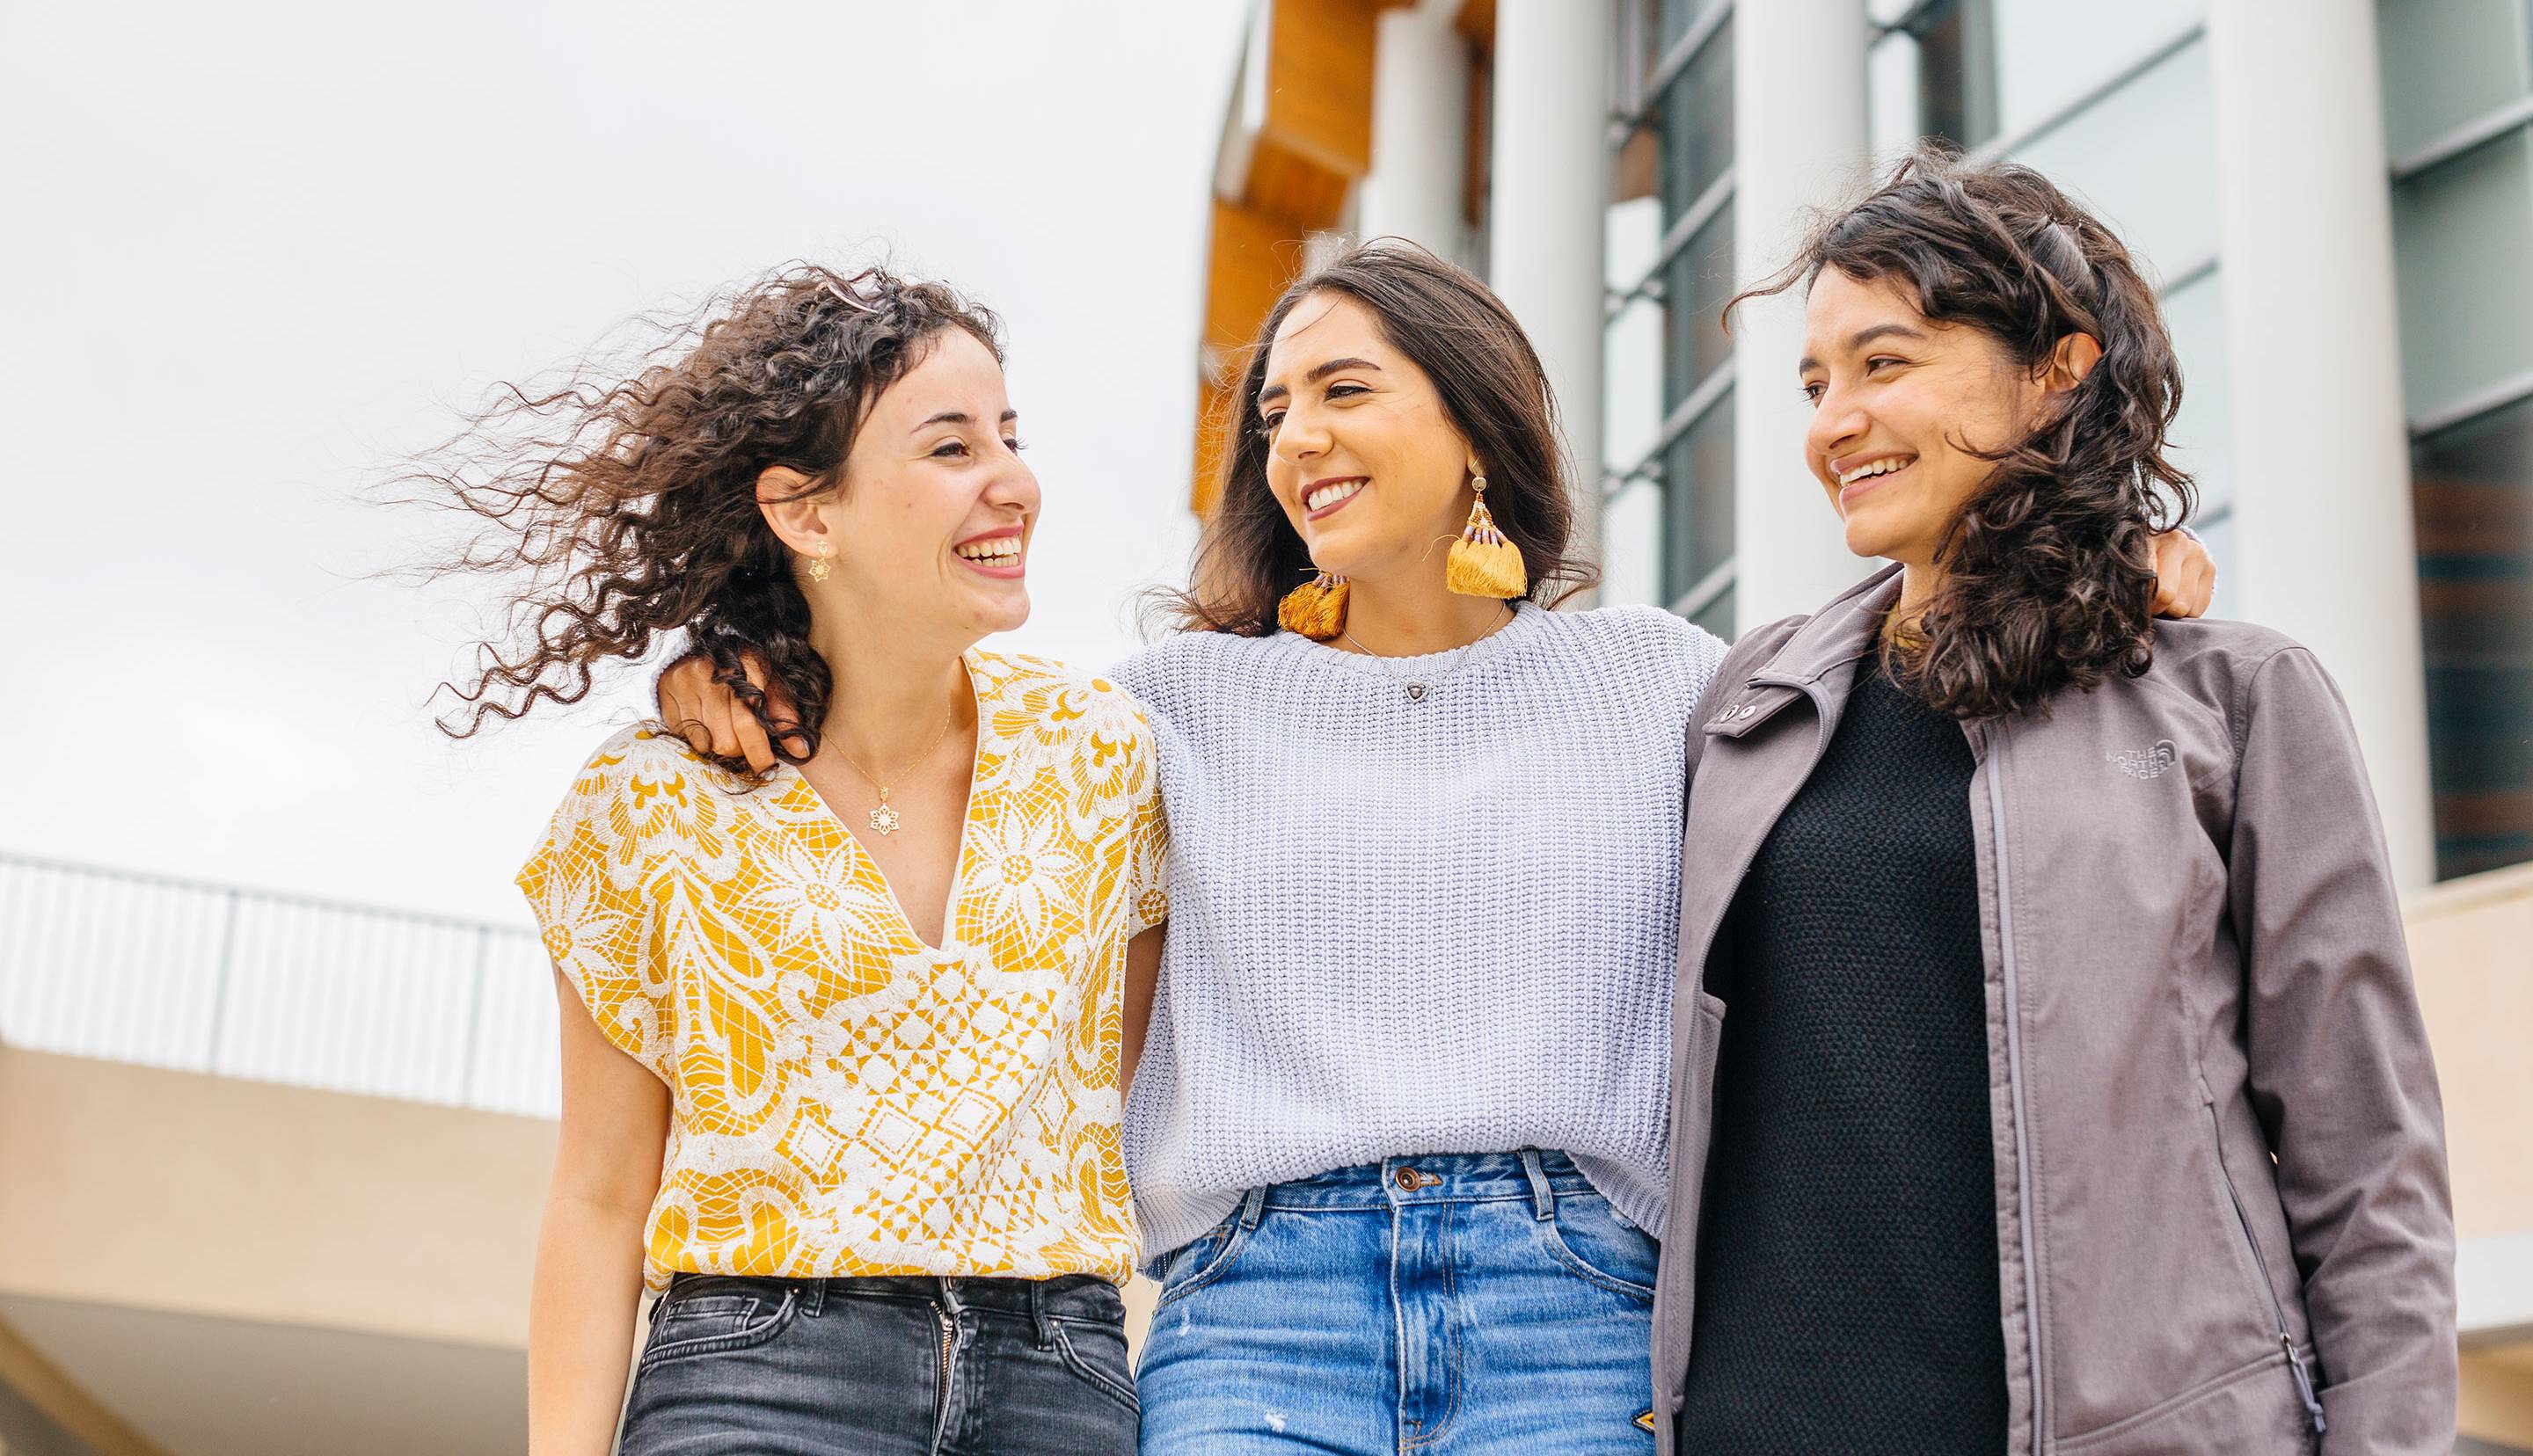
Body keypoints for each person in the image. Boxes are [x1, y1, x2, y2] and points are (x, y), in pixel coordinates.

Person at [662, 242, 2215, 1453]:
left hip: (1580, 1309)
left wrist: (2102, 566)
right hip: (1254, 1318)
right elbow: (908, 719)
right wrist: (731, 657)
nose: (1296, 439)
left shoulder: (1664, 683)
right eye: (1273, 411)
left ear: (1473, 423)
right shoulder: (1165, 711)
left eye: (1344, 390)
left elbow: (1908, 674)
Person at [1652, 151, 2456, 1455]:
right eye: (1815, 383)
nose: (1832, 422)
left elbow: (2369, 1164)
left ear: (2056, 369)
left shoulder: (2239, 700)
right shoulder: (1746, 709)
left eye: (1886, 362)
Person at [427, 264, 1164, 1455]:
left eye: (1010, 437)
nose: (1014, 483)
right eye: (950, 449)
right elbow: (600, 1194)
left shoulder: (1108, 760)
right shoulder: (653, 801)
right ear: (805, 512)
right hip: (757, 1383)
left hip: (1058, 1381)